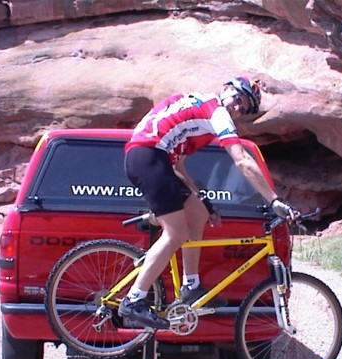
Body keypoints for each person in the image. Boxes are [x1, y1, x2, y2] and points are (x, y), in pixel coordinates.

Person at [119, 76, 297, 329]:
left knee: (197, 210)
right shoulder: (217, 112)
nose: (237, 108)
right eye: (237, 99)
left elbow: (176, 161)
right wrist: (274, 200)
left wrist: (200, 196)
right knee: (175, 234)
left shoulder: (197, 105)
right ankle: (134, 299)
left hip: (151, 156)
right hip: (148, 156)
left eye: (243, 108)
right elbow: (242, 160)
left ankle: (191, 285)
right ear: (225, 89)